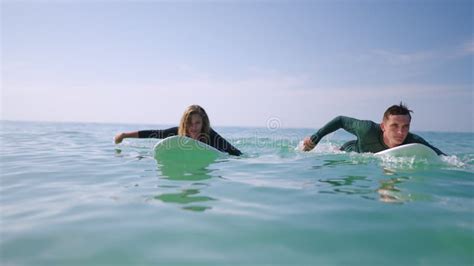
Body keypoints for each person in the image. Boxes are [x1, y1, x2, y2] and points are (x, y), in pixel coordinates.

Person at [302, 102, 446, 155]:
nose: (401, 132)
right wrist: (315, 139)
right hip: (347, 153)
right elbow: (340, 120)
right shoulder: (367, 129)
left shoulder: (413, 142)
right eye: (394, 126)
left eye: (405, 127)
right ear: (383, 126)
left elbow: (442, 157)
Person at [115, 105, 242, 156]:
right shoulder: (178, 133)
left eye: (197, 123)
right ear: (184, 123)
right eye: (189, 123)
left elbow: (235, 153)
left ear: (204, 123)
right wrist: (124, 135)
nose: (193, 127)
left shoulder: (211, 136)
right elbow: (153, 133)